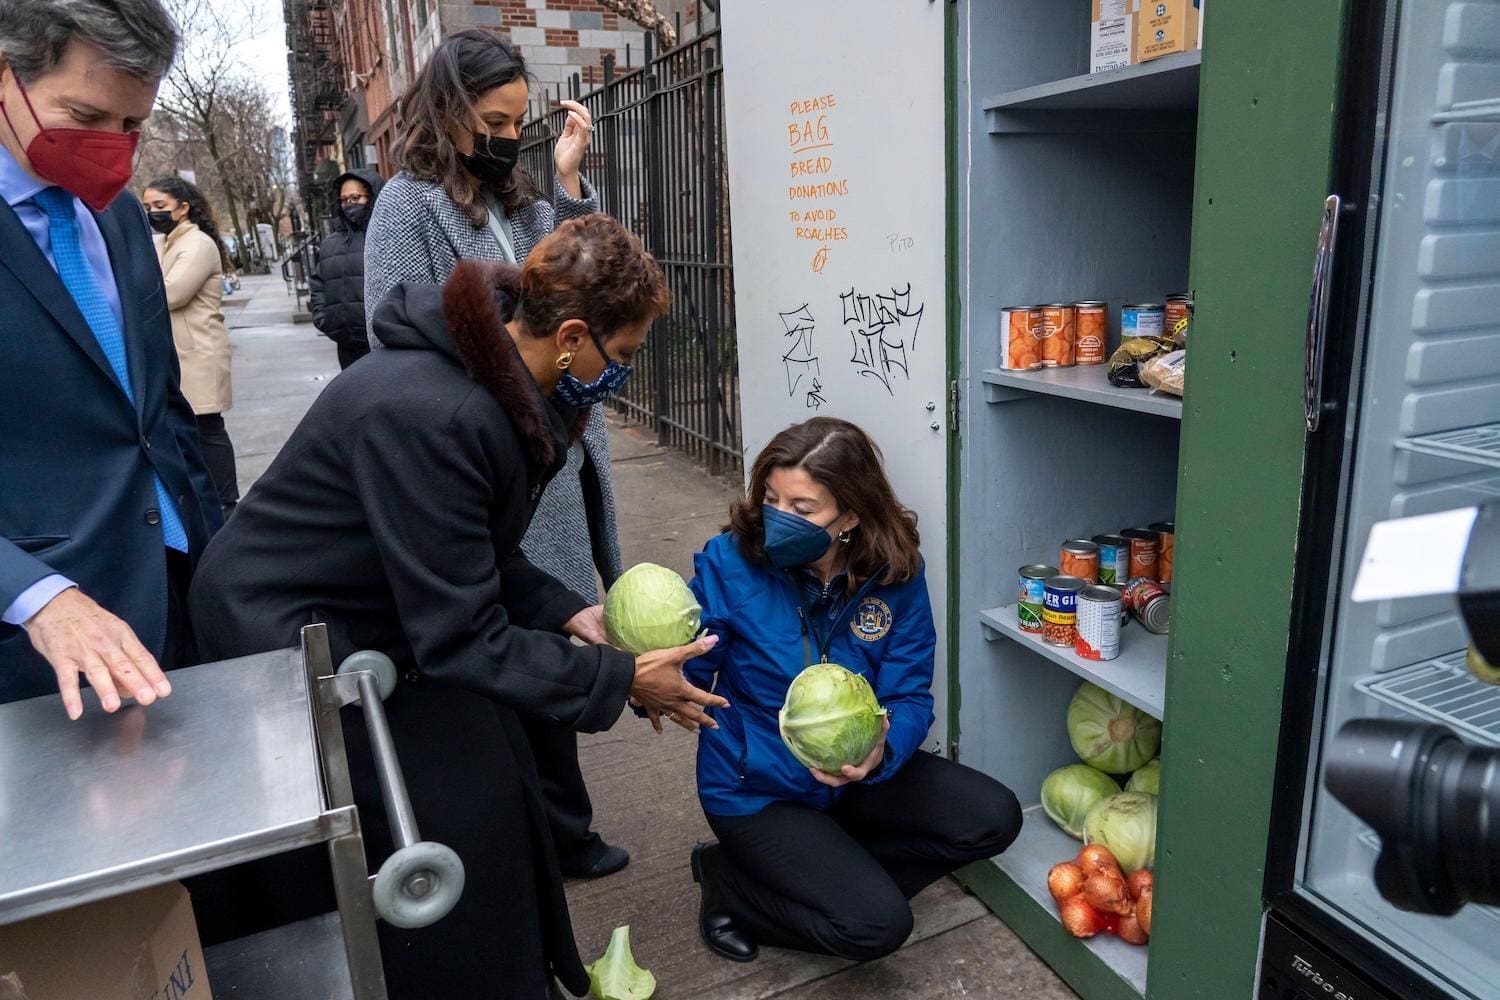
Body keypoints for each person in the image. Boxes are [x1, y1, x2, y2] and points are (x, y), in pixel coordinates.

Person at [187, 215, 726, 996]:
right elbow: (462, 637)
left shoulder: (498, 380)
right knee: (440, 815)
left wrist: (567, 609)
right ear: (572, 336)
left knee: (498, 777)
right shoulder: (435, 413)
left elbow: (472, 550)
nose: (626, 374)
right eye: (628, 353)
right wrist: (621, 680)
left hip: (383, 607)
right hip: (290, 627)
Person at [363, 27, 629, 880]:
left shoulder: (518, 202)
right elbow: (396, 332)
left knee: (556, 619)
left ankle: (557, 827)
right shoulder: (408, 205)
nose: (510, 136)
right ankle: (555, 834)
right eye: (495, 121)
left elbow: (575, 281)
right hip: (493, 457)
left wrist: (568, 177)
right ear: (449, 113)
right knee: (522, 648)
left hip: (560, 453)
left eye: (520, 121)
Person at [683, 417, 1024, 963]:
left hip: (853, 780)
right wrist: (648, 671)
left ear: (851, 514)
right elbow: (686, 673)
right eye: (770, 498)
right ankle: (732, 884)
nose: (777, 518)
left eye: (802, 508)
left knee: (994, 817)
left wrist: (881, 753)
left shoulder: (894, 575)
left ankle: (825, 871)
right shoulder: (731, 562)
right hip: (757, 790)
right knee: (875, 929)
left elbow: (910, 694)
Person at [0, 0, 221, 717]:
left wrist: (221, 552)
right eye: (87, 117)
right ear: (7, 78)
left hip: (183, 594)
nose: (113, 146)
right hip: (46, 645)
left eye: (132, 125)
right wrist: (35, 597)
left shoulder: (121, 215)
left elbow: (161, 413)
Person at [143, 175, 239, 518]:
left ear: (183, 209)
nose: (152, 213)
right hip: (177, 351)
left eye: (160, 206)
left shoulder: (197, 244)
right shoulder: (165, 242)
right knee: (189, 429)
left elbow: (171, 292)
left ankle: (227, 504)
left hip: (198, 349)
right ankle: (208, 501)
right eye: (148, 207)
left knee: (207, 428)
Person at [309, 167, 383, 369]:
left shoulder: (385, 237)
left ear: (372, 196)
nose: (349, 205)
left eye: (355, 197)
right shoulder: (331, 244)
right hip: (347, 346)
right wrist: (324, 320)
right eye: (343, 200)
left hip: (384, 344)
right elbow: (318, 284)